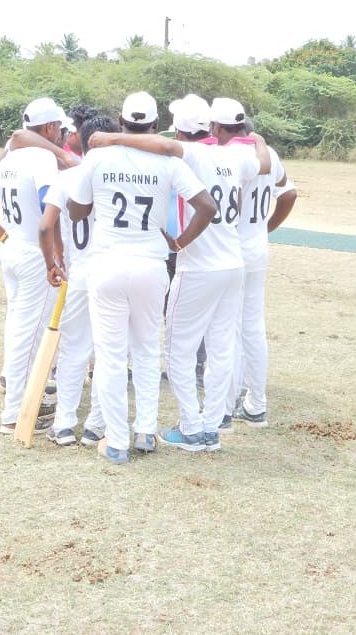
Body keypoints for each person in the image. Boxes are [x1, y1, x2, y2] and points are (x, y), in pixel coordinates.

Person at [89, 94, 272, 452]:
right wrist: (259, 141)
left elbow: (161, 146)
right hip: (233, 263)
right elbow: (262, 165)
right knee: (222, 348)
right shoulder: (234, 156)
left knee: (177, 351)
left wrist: (112, 138)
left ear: (180, 131)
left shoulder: (192, 154)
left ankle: (190, 427)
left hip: (198, 266)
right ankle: (212, 426)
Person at [66, 91, 216, 464]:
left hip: (108, 263)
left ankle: (117, 441)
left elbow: (76, 211)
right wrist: (180, 243)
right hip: (151, 264)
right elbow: (207, 206)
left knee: (111, 355)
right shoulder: (167, 160)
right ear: (155, 125)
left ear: (120, 122)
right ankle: (145, 430)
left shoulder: (98, 156)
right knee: (147, 349)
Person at [0, 97, 66, 434]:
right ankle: (14, 414)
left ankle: (16, 393)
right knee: (30, 332)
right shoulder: (43, 158)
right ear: (49, 128)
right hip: (35, 254)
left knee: (18, 324)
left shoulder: (12, 157)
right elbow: (47, 207)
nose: (60, 133)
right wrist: (53, 256)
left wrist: (4, 236)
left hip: (11, 249)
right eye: (58, 127)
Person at [209, 99, 297, 432]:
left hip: (232, 248)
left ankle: (225, 407)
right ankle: (256, 404)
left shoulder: (226, 156)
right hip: (257, 247)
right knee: (253, 327)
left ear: (217, 128)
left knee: (227, 329)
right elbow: (288, 194)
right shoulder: (268, 153)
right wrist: (266, 227)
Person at [37, 115, 120, 447]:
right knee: (107, 351)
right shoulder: (120, 179)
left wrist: (52, 262)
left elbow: (46, 226)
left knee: (73, 350)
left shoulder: (68, 176)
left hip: (79, 271)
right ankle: (96, 424)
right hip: (110, 271)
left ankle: (64, 424)